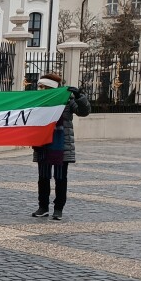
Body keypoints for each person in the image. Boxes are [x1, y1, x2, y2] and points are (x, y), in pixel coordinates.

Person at [32, 72, 91, 221]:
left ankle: (58, 208)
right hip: (43, 143)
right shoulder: (37, 100)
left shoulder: (67, 98)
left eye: (43, 87)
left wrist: (79, 96)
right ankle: (43, 207)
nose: (40, 89)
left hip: (61, 144)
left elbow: (83, 112)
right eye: (39, 87)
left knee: (60, 177)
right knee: (43, 177)